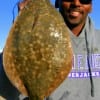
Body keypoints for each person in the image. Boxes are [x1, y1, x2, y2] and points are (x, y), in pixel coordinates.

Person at [0, 0, 100, 100]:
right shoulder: (27, 33)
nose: (76, 3)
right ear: (57, 2)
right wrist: (20, 24)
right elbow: (6, 90)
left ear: (91, 6)